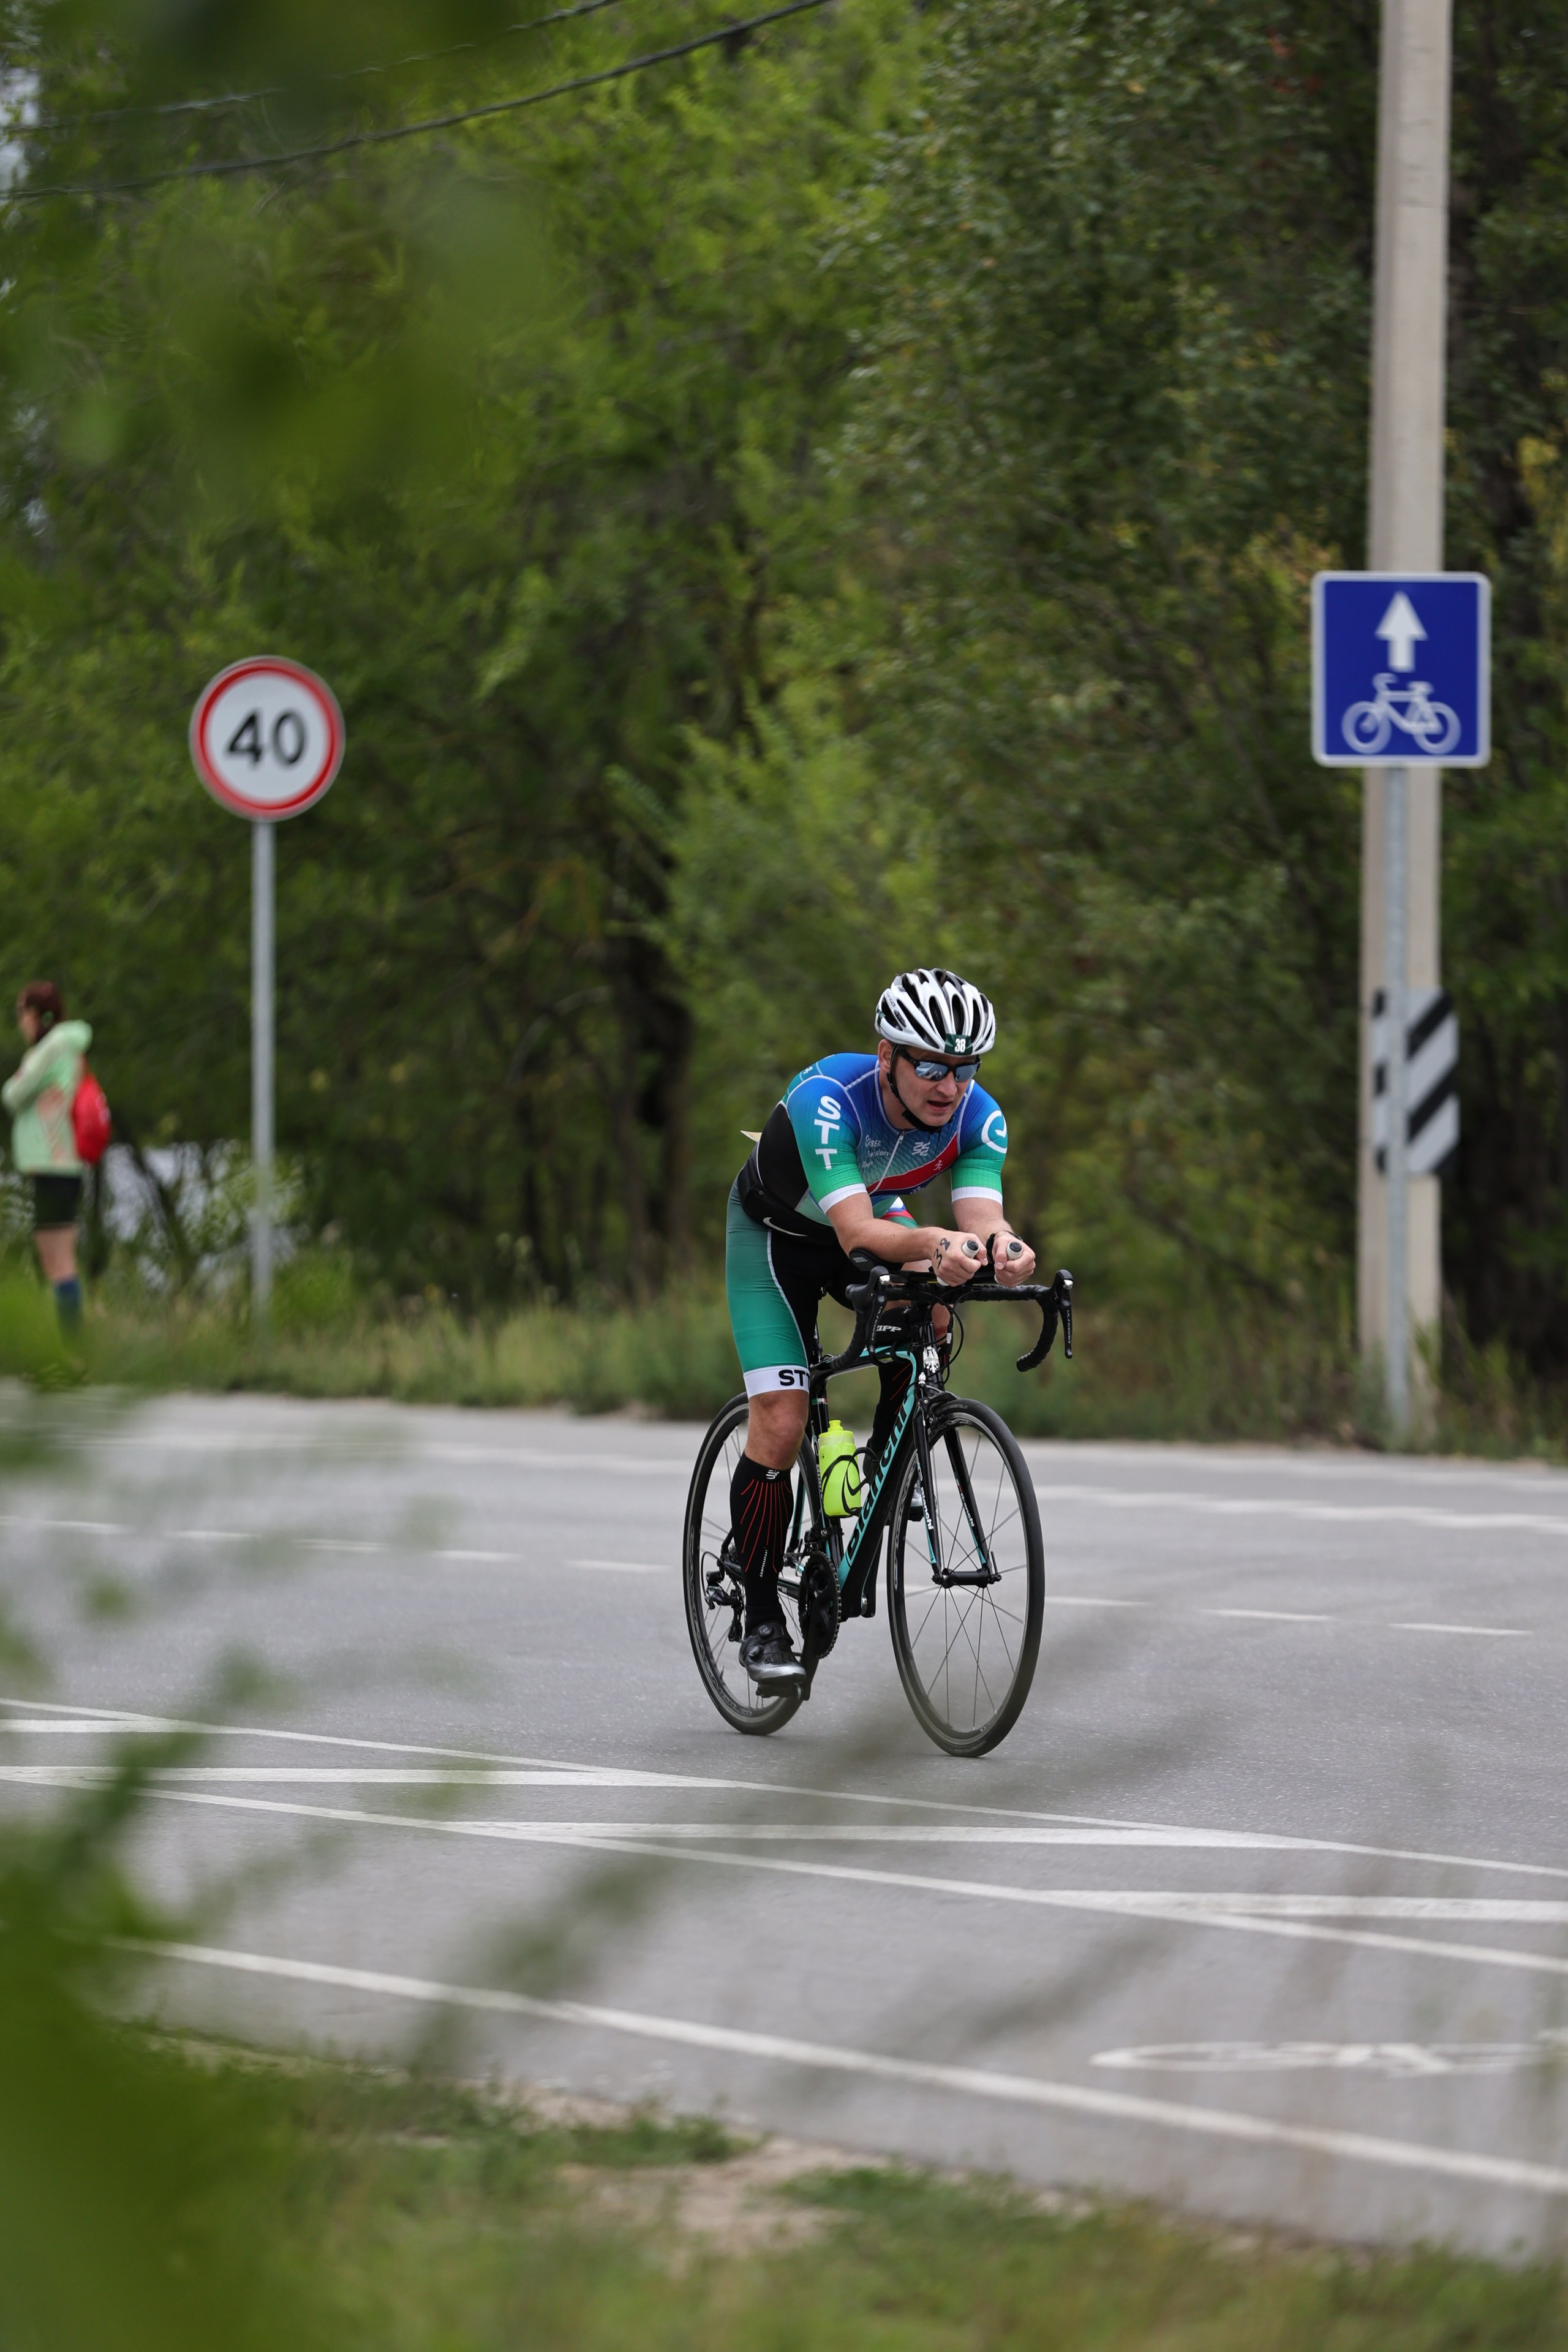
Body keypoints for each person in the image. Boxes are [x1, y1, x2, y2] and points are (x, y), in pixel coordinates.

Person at [725, 967, 1036, 1689]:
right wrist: (936, 1243)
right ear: (887, 1056)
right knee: (782, 1418)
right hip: (777, 1239)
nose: (949, 1087)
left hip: (870, 1219)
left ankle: (890, 1468)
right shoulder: (827, 1100)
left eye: (964, 1068)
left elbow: (982, 1217)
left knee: (933, 1307)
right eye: (930, 1067)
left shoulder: (979, 1116)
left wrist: (1006, 1249)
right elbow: (858, 1232)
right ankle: (763, 1618)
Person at [3, 982, 92, 1333]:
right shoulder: (70, 1048)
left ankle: (69, 1350)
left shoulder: (51, 1047)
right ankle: (66, 1345)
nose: (20, 1022)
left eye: (21, 1012)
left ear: (36, 1014)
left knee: (58, 1260)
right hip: (64, 1165)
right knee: (58, 1257)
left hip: (53, 1163)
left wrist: (21, 1073)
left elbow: (13, 1093)